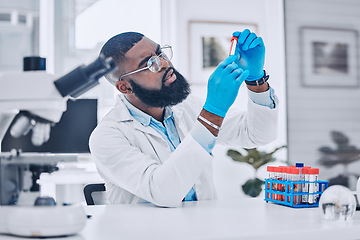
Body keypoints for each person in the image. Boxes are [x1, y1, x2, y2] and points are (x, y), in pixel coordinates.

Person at [89, 29, 278, 207]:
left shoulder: (187, 106)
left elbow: (258, 134)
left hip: (202, 229)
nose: (164, 64)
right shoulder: (107, 136)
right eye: (149, 64)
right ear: (125, 87)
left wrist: (256, 81)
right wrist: (213, 112)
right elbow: (163, 192)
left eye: (160, 54)